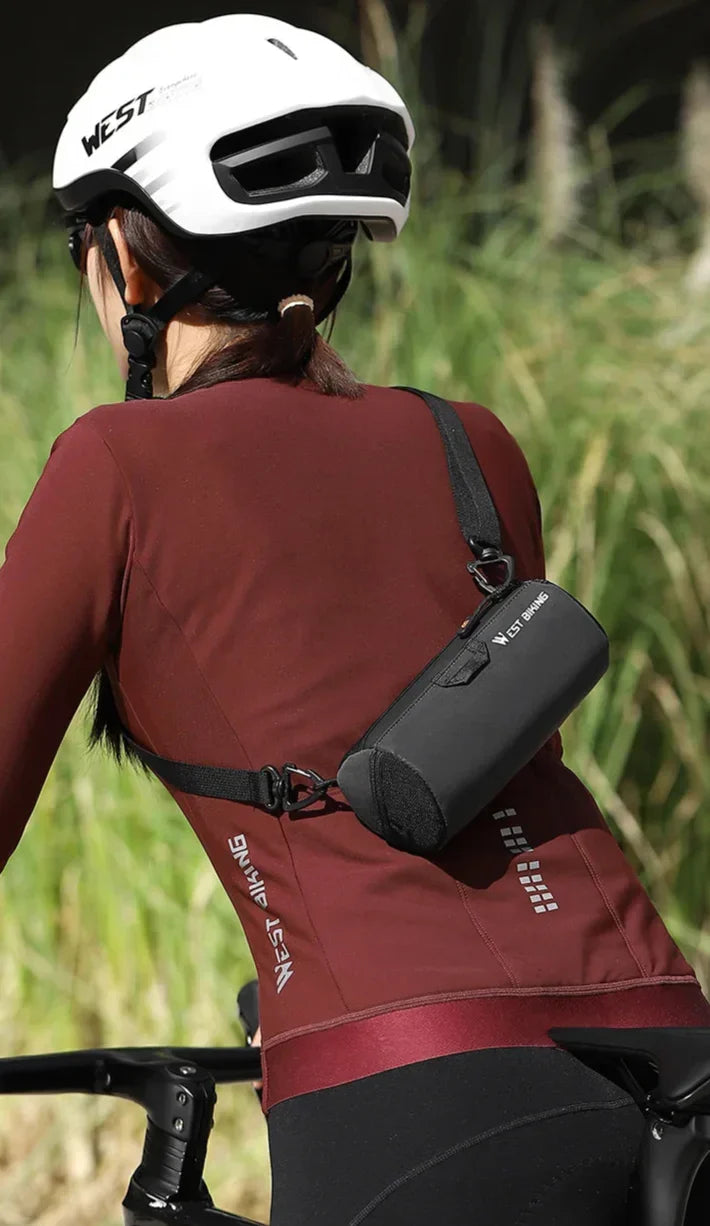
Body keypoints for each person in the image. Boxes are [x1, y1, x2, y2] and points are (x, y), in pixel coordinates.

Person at [1, 14, 708, 1225]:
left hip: (421, 1094)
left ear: (125, 253)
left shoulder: (114, 463)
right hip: (670, 1051)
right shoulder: (471, 443)